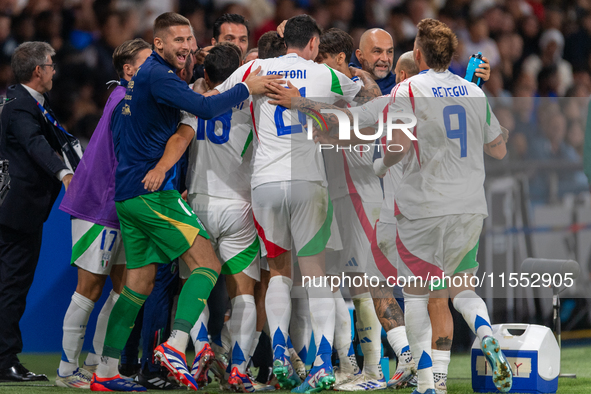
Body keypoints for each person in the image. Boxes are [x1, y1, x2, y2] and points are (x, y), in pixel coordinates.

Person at [90, 12, 276, 392]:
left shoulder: (150, 80)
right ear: (158, 44)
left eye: (190, 40)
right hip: (152, 193)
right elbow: (205, 111)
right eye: (179, 40)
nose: (188, 46)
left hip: (129, 194)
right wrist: (249, 86)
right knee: (206, 265)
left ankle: (105, 372)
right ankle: (176, 347)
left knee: (137, 286)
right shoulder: (158, 76)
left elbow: (179, 115)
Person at [214, 14, 379, 394]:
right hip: (308, 182)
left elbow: (215, 97)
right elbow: (366, 96)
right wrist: (348, 72)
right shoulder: (323, 74)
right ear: (313, 45)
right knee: (316, 273)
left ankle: (281, 354)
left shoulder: (255, 67)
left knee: (277, 271)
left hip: (265, 183)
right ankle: (322, 363)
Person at [56, 38, 152, 389]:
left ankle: (101, 365)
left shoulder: (129, 98)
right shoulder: (123, 100)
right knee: (89, 288)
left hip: (123, 205)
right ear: (128, 70)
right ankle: (67, 371)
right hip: (97, 204)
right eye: (147, 62)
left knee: (124, 288)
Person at [0, 41, 70, 383]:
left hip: (13, 207)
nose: (55, 70)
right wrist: (64, 173)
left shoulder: (16, 100)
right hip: (18, 210)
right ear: (38, 70)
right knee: (11, 286)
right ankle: (5, 360)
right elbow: (34, 144)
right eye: (51, 64)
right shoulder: (22, 107)